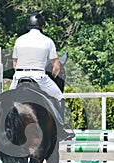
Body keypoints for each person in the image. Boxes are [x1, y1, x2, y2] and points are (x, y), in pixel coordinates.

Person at [10, 12, 74, 140]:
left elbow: (15, 64)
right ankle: (61, 130)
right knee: (59, 97)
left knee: (6, 99)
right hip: (38, 76)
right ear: (42, 26)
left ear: (28, 26)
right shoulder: (48, 41)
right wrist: (54, 77)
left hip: (19, 76)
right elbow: (56, 66)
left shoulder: (19, 40)